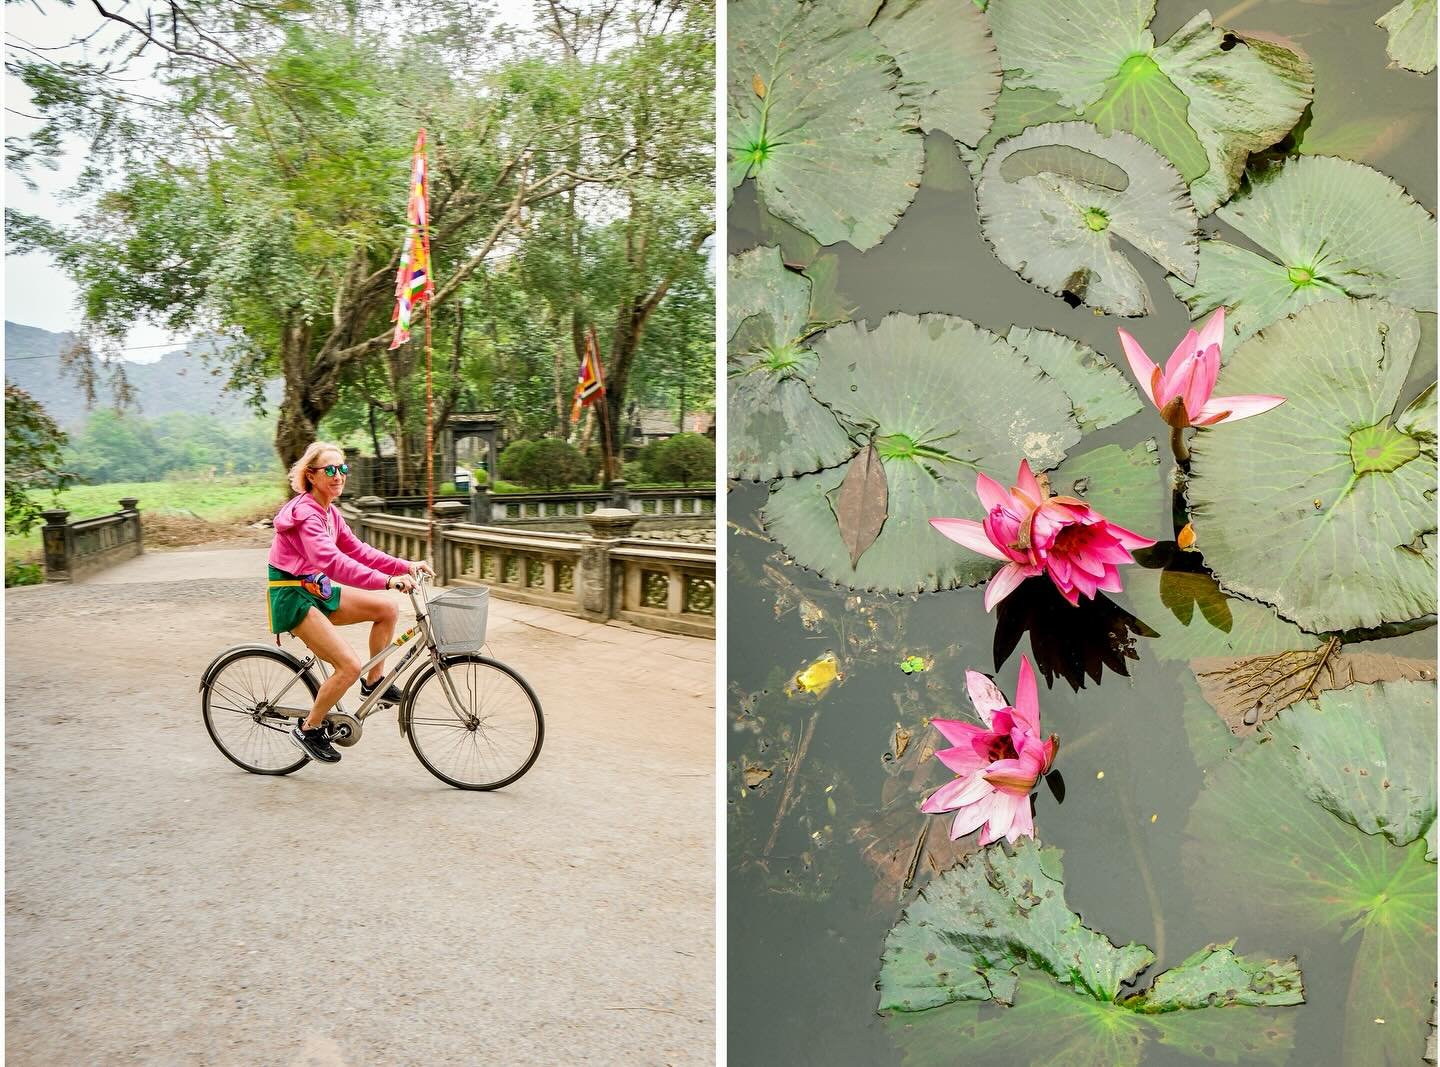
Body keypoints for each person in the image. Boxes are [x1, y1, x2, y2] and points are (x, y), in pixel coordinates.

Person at [267, 441, 435, 764]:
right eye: (330, 470)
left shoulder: (330, 512)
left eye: (342, 469)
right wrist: (386, 581)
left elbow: (359, 551)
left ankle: (374, 684)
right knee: (348, 666)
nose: (338, 475)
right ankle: (309, 728)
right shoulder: (307, 516)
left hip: (317, 589)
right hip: (293, 597)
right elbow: (333, 563)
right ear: (311, 476)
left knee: (387, 609)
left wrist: (405, 566)